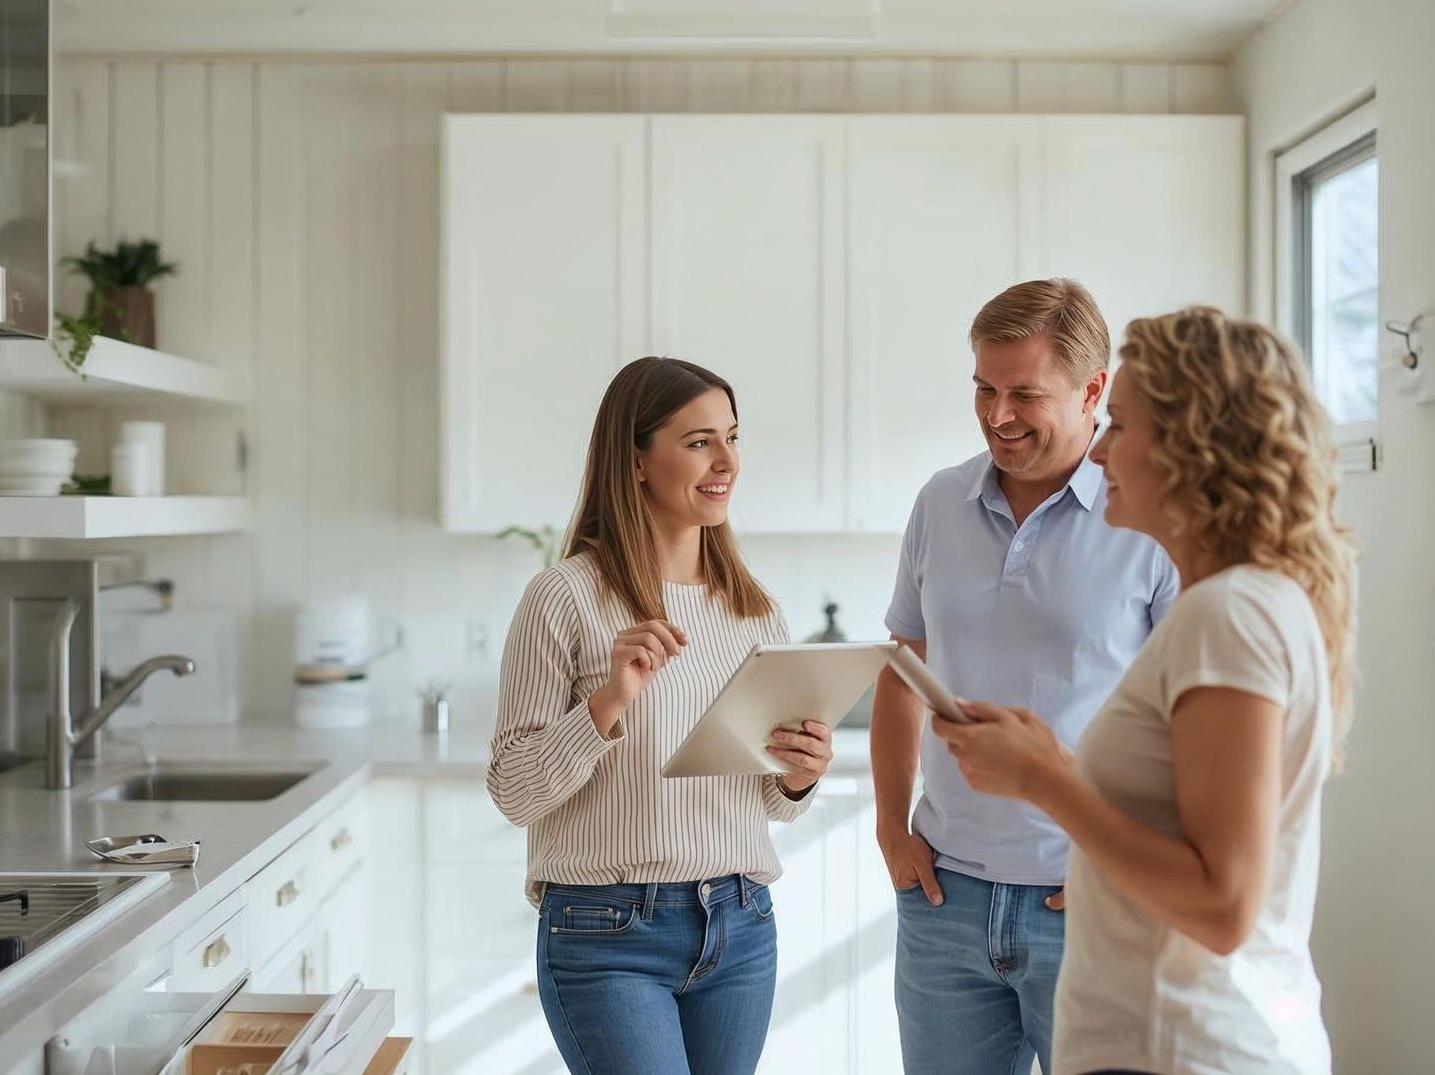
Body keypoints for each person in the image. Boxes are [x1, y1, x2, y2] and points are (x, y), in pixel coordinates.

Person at [937, 306, 1358, 1075]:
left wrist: (1044, 778)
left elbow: (1221, 904)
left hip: (1185, 1045)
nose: (1098, 451)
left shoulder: (1228, 615)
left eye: (1121, 424)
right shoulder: (1245, 605)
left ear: (1194, 446)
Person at [488, 356, 835, 1075]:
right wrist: (608, 702)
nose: (727, 461)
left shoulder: (753, 611)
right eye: (699, 440)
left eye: (732, 437)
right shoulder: (563, 598)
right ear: (637, 459)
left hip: (741, 925)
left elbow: (768, 797)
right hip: (606, 931)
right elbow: (515, 790)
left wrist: (799, 775)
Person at [871, 279, 1178, 1074]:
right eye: (984, 388)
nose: (997, 414)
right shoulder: (940, 501)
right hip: (943, 900)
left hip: (1084, 900)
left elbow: (1188, 720)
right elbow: (903, 670)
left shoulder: (1147, 518)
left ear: (1094, 390)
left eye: (1024, 394)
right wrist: (889, 824)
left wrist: (1126, 857)